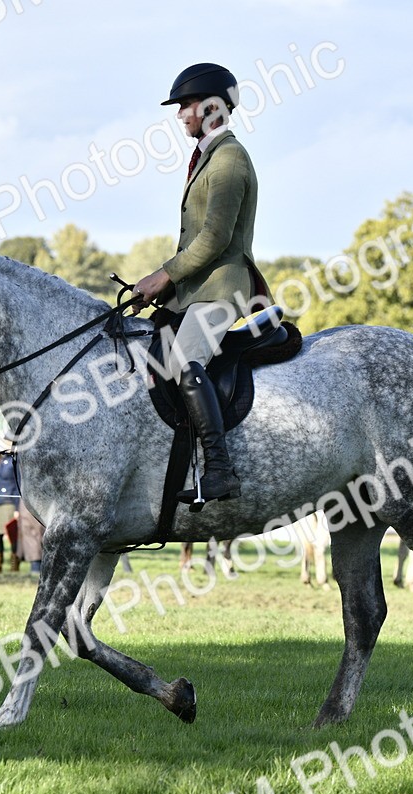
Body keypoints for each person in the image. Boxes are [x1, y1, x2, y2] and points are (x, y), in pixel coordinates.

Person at [131, 62, 268, 505]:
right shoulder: (208, 157)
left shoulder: (229, 159)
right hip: (194, 290)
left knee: (187, 361)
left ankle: (220, 470)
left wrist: (163, 275)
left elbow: (214, 237)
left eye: (185, 105)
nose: (180, 115)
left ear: (210, 108)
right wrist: (161, 290)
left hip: (222, 288)